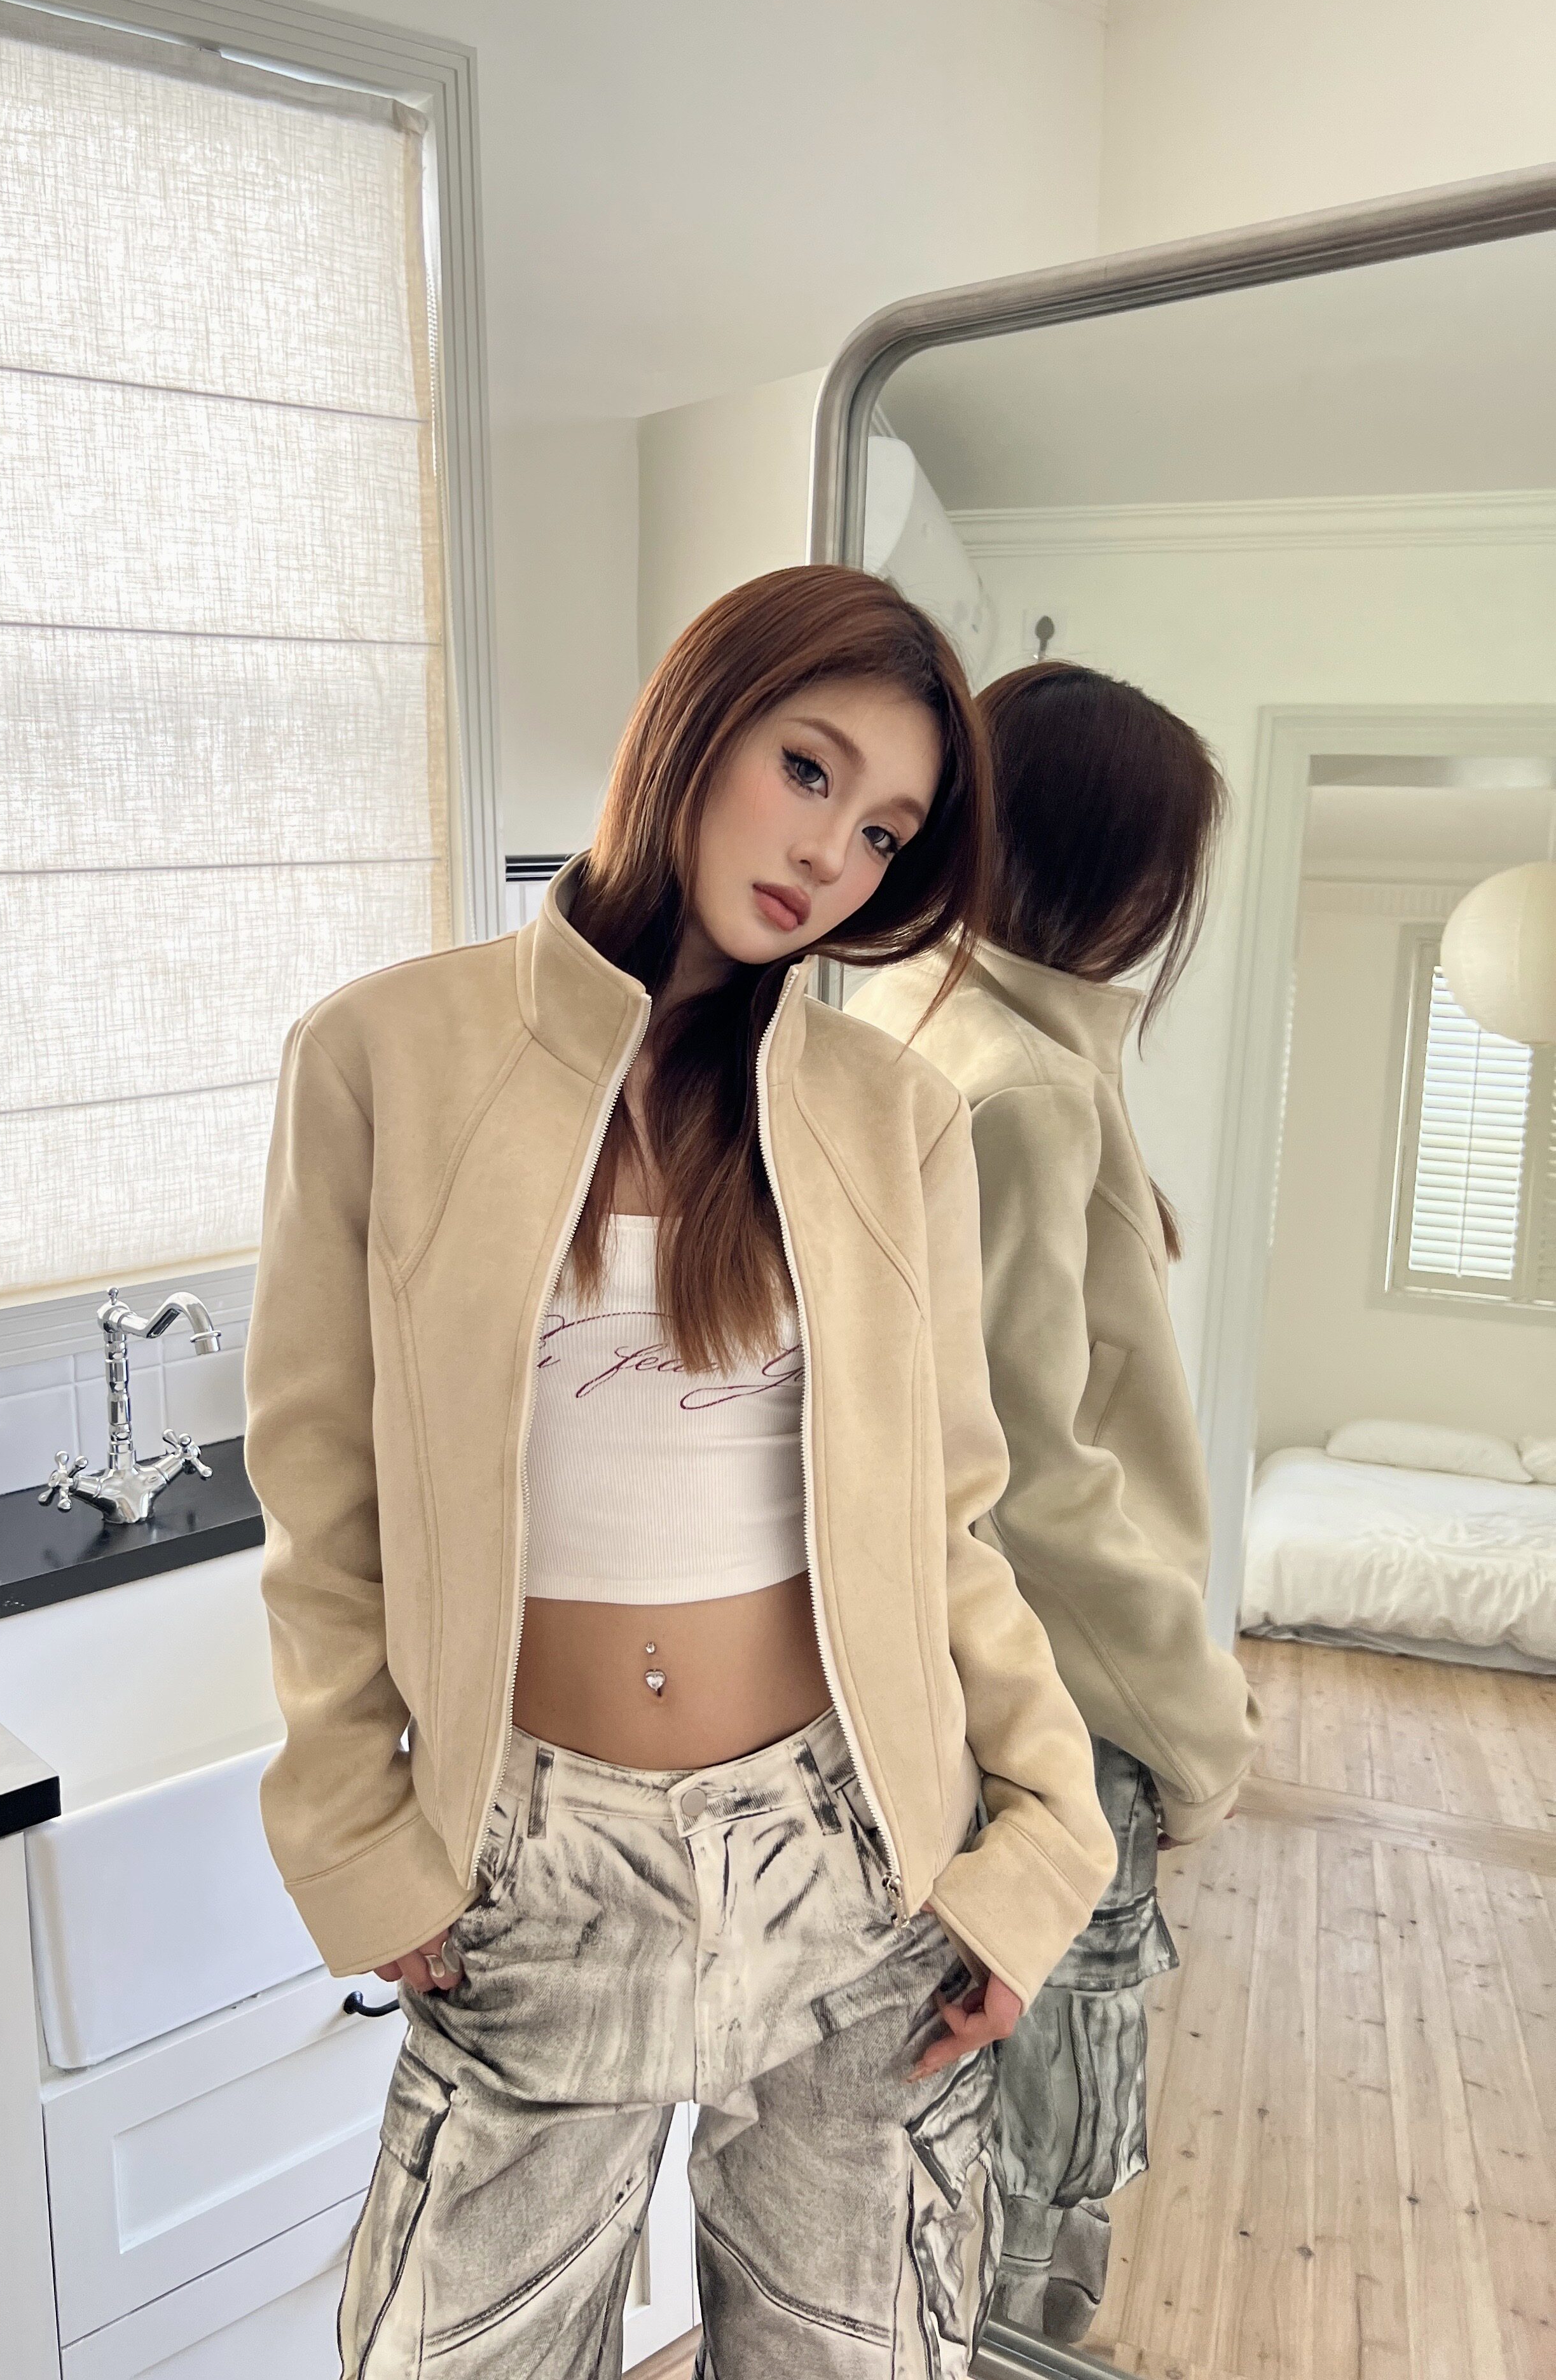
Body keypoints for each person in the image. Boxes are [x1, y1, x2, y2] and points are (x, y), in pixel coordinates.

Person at [242, 569, 1116, 2378]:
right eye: (809, 769)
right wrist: (357, 1837)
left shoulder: (893, 1115)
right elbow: (322, 1507)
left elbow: (951, 1524)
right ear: (694, 728)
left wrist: (1040, 1843)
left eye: (885, 832)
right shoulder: (384, 1058)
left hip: (852, 1866)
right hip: (530, 1876)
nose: (831, 857)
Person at [848, 660, 1262, 2344]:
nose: (1169, 904)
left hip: (956, 1687)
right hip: (1066, 1701)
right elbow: (1031, 1482)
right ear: (1114, 865)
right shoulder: (1018, 1084)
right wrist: (1196, 1719)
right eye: (1165, 863)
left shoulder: (913, 1021)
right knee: (1049, 2196)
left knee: (948, 2132)